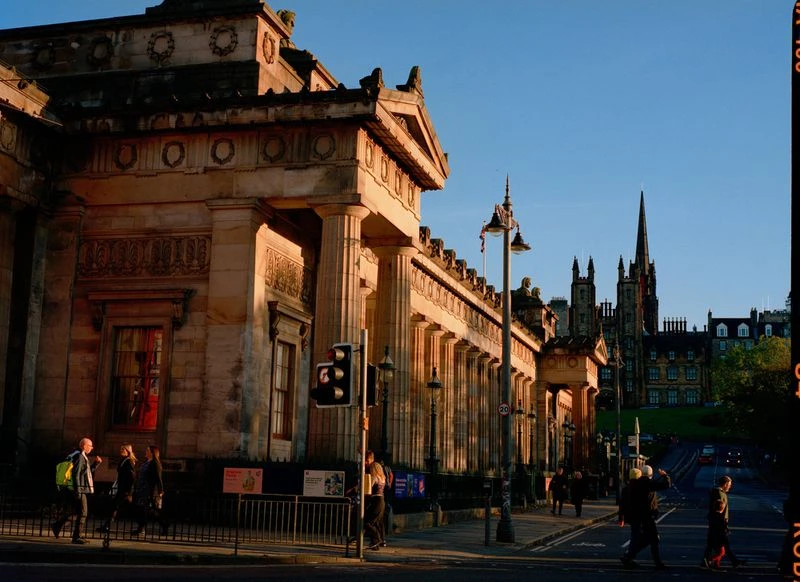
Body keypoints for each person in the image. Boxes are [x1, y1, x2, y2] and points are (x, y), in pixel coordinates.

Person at [51, 437, 103, 544]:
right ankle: (77, 536)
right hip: (78, 489)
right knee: (83, 512)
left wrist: (96, 464)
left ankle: (57, 526)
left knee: (75, 511)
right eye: (90, 446)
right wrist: (78, 490)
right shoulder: (80, 457)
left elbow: (85, 473)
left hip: (75, 488)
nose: (92, 448)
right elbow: (77, 474)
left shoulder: (78, 455)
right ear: (84, 446)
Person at [621, 464, 671, 569]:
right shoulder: (649, 484)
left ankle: (629, 555)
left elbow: (625, 502)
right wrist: (664, 475)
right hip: (648, 516)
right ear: (651, 475)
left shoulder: (635, 484)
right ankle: (657, 563)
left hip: (638, 516)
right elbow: (666, 485)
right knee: (654, 539)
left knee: (644, 538)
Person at [702, 475, 745, 569]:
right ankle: (710, 561)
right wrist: (723, 523)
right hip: (719, 523)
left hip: (717, 523)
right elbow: (719, 508)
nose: (730, 486)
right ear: (725, 484)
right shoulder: (720, 494)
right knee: (722, 544)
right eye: (729, 484)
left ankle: (717, 563)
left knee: (714, 544)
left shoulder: (719, 492)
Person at [96, 443, 136, 534]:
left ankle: (143, 525)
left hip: (125, 490)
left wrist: (129, 490)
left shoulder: (128, 461)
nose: (121, 451)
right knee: (115, 507)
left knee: (120, 507)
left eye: (123, 449)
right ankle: (106, 526)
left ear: (128, 451)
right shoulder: (124, 460)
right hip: (121, 489)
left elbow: (132, 476)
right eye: (121, 449)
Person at [132, 445, 169, 536]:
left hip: (150, 490)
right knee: (142, 509)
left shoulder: (155, 463)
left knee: (149, 510)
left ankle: (163, 524)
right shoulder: (146, 463)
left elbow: (158, 477)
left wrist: (160, 490)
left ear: (152, 453)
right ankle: (141, 528)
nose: (146, 451)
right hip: (142, 489)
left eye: (148, 450)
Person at [363, 450, 386, 550]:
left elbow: (368, 488)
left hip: (376, 501)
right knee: (375, 522)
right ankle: (375, 543)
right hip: (381, 500)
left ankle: (377, 538)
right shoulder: (382, 478)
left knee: (367, 522)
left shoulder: (374, 478)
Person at [619, 467, 643, 558]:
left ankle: (630, 554)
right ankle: (629, 555)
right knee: (637, 537)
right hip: (639, 516)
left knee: (635, 535)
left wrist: (621, 518)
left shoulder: (626, 489)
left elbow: (622, 505)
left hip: (629, 516)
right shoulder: (640, 488)